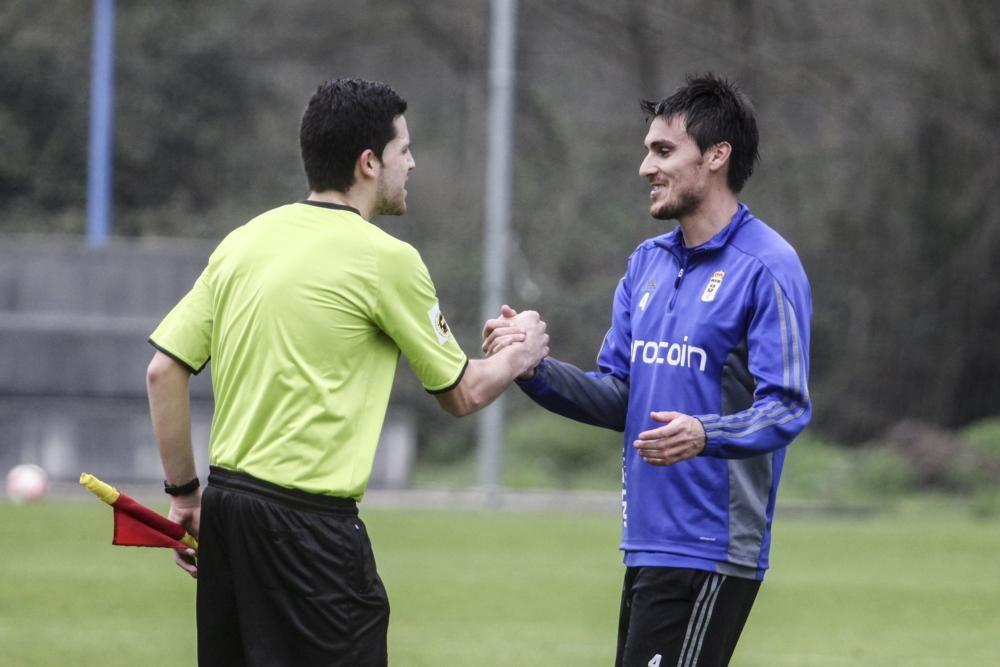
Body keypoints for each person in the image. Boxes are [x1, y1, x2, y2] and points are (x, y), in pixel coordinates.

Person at [145, 77, 548, 666]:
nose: (412, 164)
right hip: (309, 528)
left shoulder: (244, 242)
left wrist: (185, 496)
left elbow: (163, 372)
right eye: (403, 150)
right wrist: (522, 352)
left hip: (229, 511)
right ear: (368, 162)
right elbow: (462, 392)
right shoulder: (387, 259)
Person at [483, 73, 811, 666]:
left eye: (663, 151)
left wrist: (705, 433)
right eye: (646, 151)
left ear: (716, 156)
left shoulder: (768, 266)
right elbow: (619, 397)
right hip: (645, 544)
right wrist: (529, 369)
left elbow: (787, 406)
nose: (645, 167)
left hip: (712, 547)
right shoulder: (646, 265)